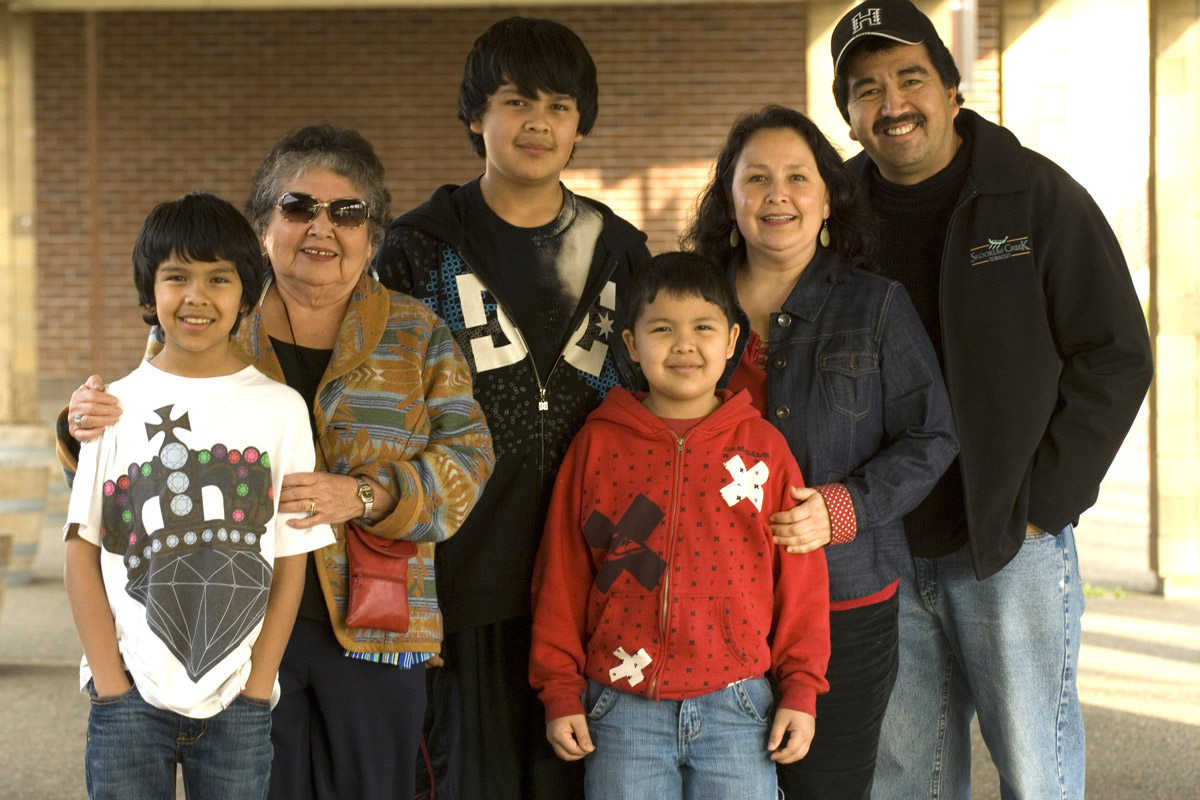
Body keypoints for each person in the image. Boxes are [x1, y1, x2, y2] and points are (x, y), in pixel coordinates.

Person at [61, 124, 495, 800]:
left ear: (372, 236)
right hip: (247, 633)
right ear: (264, 227)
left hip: (377, 626)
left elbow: (470, 461)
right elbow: (124, 473)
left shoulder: (416, 333)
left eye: (347, 212)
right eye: (298, 207)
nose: (321, 227)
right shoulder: (207, 320)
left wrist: (366, 496)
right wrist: (76, 428)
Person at [828, 2, 1154, 798]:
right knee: (906, 777)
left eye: (911, 78)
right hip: (883, 546)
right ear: (847, 114)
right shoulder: (832, 213)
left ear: (951, 88)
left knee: (1036, 772)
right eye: (867, 88)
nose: (892, 104)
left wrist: (1044, 502)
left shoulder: (1034, 196)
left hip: (1010, 543)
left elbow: (1114, 352)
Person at [371, 16, 651, 800]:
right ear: (475, 116)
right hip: (461, 585)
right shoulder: (419, 248)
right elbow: (380, 415)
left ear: (580, 127)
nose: (538, 123)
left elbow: (653, 413)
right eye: (517, 101)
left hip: (595, 581)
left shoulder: (621, 252)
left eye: (560, 107)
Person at [681, 104, 958, 799]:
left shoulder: (876, 306)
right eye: (758, 179)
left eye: (798, 177)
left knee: (824, 787)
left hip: (844, 597)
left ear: (828, 196)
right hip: (707, 602)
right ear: (730, 199)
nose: (778, 195)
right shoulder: (688, 304)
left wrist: (844, 507)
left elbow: (932, 434)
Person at [63, 191, 337, 799]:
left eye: (219, 278)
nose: (197, 296)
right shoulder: (114, 407)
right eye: (176, 276)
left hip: (238, 702)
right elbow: (81, 551)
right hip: (127, 696)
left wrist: (259, 684)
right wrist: (112, 683)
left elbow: (292, 558)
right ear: (148, 292)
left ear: (247, 293)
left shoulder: (281, 410)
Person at [529, 252, 831, 800]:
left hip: (739, 706)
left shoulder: (762, 448)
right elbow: (561, 575)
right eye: (662, 329)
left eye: (703, 328)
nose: (684, 344)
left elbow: (802, 582)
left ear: (733, 339)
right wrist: (560, 691)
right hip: (622, 707)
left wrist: (801, 690)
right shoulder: (598, 445)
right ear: (630, 344)